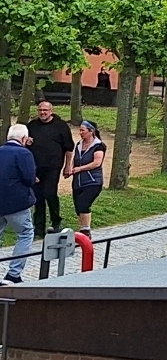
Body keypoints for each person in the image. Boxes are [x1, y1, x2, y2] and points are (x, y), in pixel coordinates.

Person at [28, 101, 73, 237]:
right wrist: (27, 141)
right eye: (40, 110)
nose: (43, 113)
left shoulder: (61, 126)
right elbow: (24, 143)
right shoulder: (32, 126)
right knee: (38, 197)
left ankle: (56, 222)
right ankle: (39, 227)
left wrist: (68, 166)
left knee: (49, 193)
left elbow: (69, 148)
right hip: (36, 167)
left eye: (45, 110)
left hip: (53, 166)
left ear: (51, 111)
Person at [0, 124, 36, 285]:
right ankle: (13, 274)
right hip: (16, 203)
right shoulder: (23, 153)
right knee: (25, 233)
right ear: (24, 139)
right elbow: (29, 178)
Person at [67, 119, 105, 238]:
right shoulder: (79, 144)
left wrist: (80, 169)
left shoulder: (98, 146)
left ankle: (86, 231)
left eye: (83, 130)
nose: (80, 133)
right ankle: (83, 229)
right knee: (78, 206)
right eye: (80, 130)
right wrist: (70, 169)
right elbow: (75, 159)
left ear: (91, 131)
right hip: (78, 182)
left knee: (84, 204)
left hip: (93, 181)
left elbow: (97, 163)